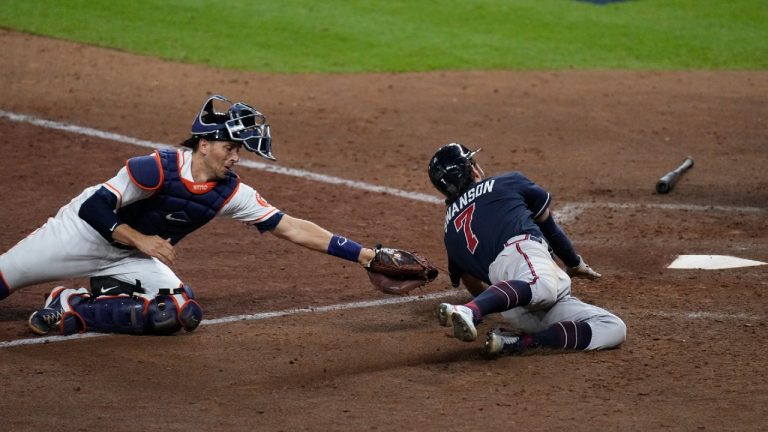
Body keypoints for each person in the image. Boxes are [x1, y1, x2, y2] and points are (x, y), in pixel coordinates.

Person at [0, 94, 376, 336]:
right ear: (204, 144)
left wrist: (366, 257)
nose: (235, 157)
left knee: (177, 311)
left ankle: (71, 307)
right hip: (81, 236)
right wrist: (141, 240)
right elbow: (93, 208)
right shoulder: (155, 169)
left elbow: (292, 228)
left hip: (130, 258)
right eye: (230, 148)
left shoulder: (231, 192)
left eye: (239, 151)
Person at [427, 143, 626, 357]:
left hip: (518, 307)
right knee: (541, 286)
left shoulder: (449, 232)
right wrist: (573, 263)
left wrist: (497, 299)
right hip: (524, 258)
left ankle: (519, 342)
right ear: (472, 169)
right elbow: (549, 226)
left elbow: (470, 281)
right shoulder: (505, 182)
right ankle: (469, 310)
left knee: (613, 327)